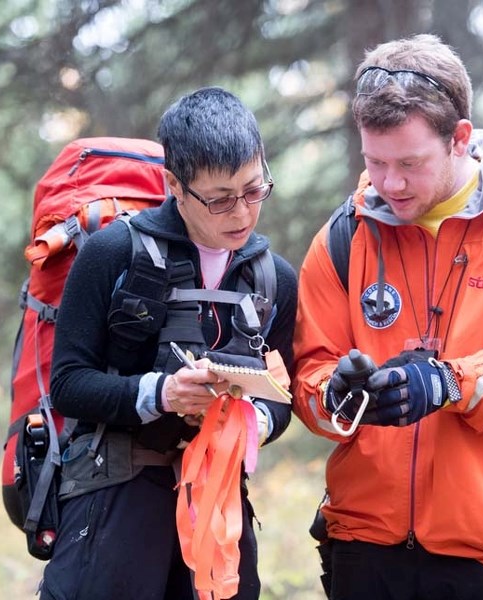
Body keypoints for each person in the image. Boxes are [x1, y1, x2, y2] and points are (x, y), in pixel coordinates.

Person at [291, 34, 483, 600]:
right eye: (375, 162)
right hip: (364, 544)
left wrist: (449, 382)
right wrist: (334, 393)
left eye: (410, 163)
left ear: (461, 138)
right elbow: (309, 375)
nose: (389, 183)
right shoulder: (344, 237)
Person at [40, 87, 297, 600]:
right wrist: (163, 394)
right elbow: (67, 383)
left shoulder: (275, 279)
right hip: (113, 494)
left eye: (254, 189)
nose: (242, 213)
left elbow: (280, 399)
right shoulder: (113, 253)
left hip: (218, 503)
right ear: (175, 185)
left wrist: (244, 419)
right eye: (220, 199)